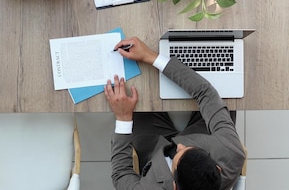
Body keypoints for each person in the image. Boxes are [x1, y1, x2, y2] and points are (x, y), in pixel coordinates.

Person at [104, 37, 246, 190]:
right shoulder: (232, 153)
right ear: (217, 169)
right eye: (187, 149)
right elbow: (206, 93)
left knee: (133, 100)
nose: (179, 146)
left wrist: (123, 118)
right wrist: (150, 56)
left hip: (154, 149)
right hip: (202, 132)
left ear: (174, 186)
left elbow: (121, 174)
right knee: (224, 96)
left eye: (178, 154)